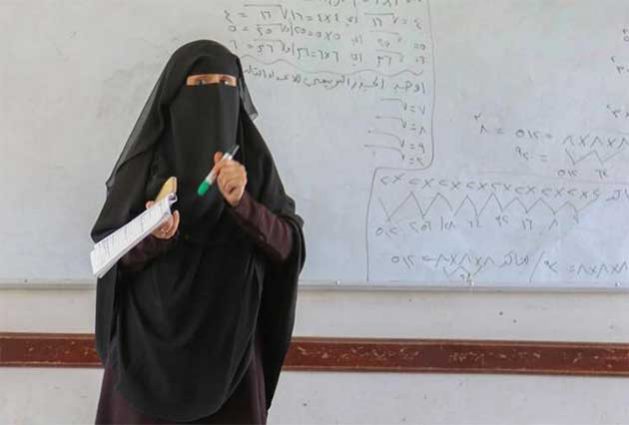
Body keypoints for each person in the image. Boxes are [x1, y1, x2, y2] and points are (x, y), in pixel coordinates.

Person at [90, 39, 306, 424]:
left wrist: (243, 205)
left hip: (232, 343)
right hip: (146, 353)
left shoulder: (252, 164)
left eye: (226, 84)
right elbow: (110, 257)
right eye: (202, 84)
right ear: (175, 94)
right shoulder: (145, 164)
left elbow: (288, 247)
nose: (214, 97)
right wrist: (154, 235)